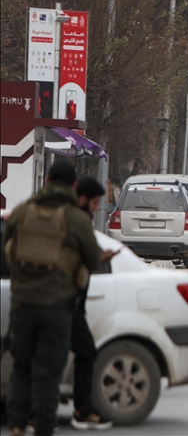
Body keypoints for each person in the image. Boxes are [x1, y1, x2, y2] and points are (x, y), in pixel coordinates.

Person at [4, 162, 105, 436]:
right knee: (47, 372)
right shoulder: (76, 219)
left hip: (23, 305)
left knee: (21, 366)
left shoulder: (23, 211)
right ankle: (43, 427)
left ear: (47, 180)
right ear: (74, 187)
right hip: (56, 308)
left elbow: (8, 247)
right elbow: (93, 258)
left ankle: (15, 424)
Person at [70, 177, 115, 430]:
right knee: (83, 352)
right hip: (66, 301)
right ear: (84, 199)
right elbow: (86, 256)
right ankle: (82, 409)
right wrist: (99, 257)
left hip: (70, 301)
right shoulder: (76, 222)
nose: (97, 208)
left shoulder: (70, 218)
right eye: (96, 202)